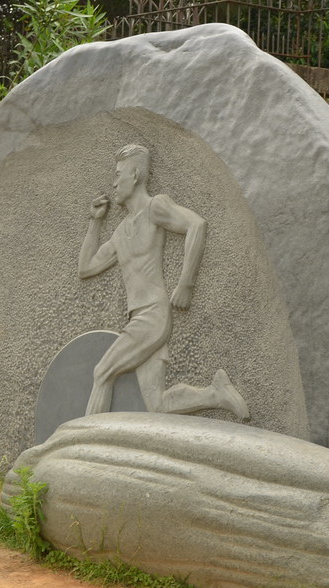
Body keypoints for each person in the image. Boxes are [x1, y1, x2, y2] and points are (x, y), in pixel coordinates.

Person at [78, 144, 249, 421]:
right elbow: (86, 269)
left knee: (102, 372)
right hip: (139, 315)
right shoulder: (122, 231)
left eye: (118, 174)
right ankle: (216, 394)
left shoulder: (154, 207)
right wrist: (95, 222)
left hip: (152, 314)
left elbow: (196, 225)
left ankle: (83, 444)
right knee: (157, 404)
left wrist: (186, 284)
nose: (113, 183)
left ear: (134, 175)